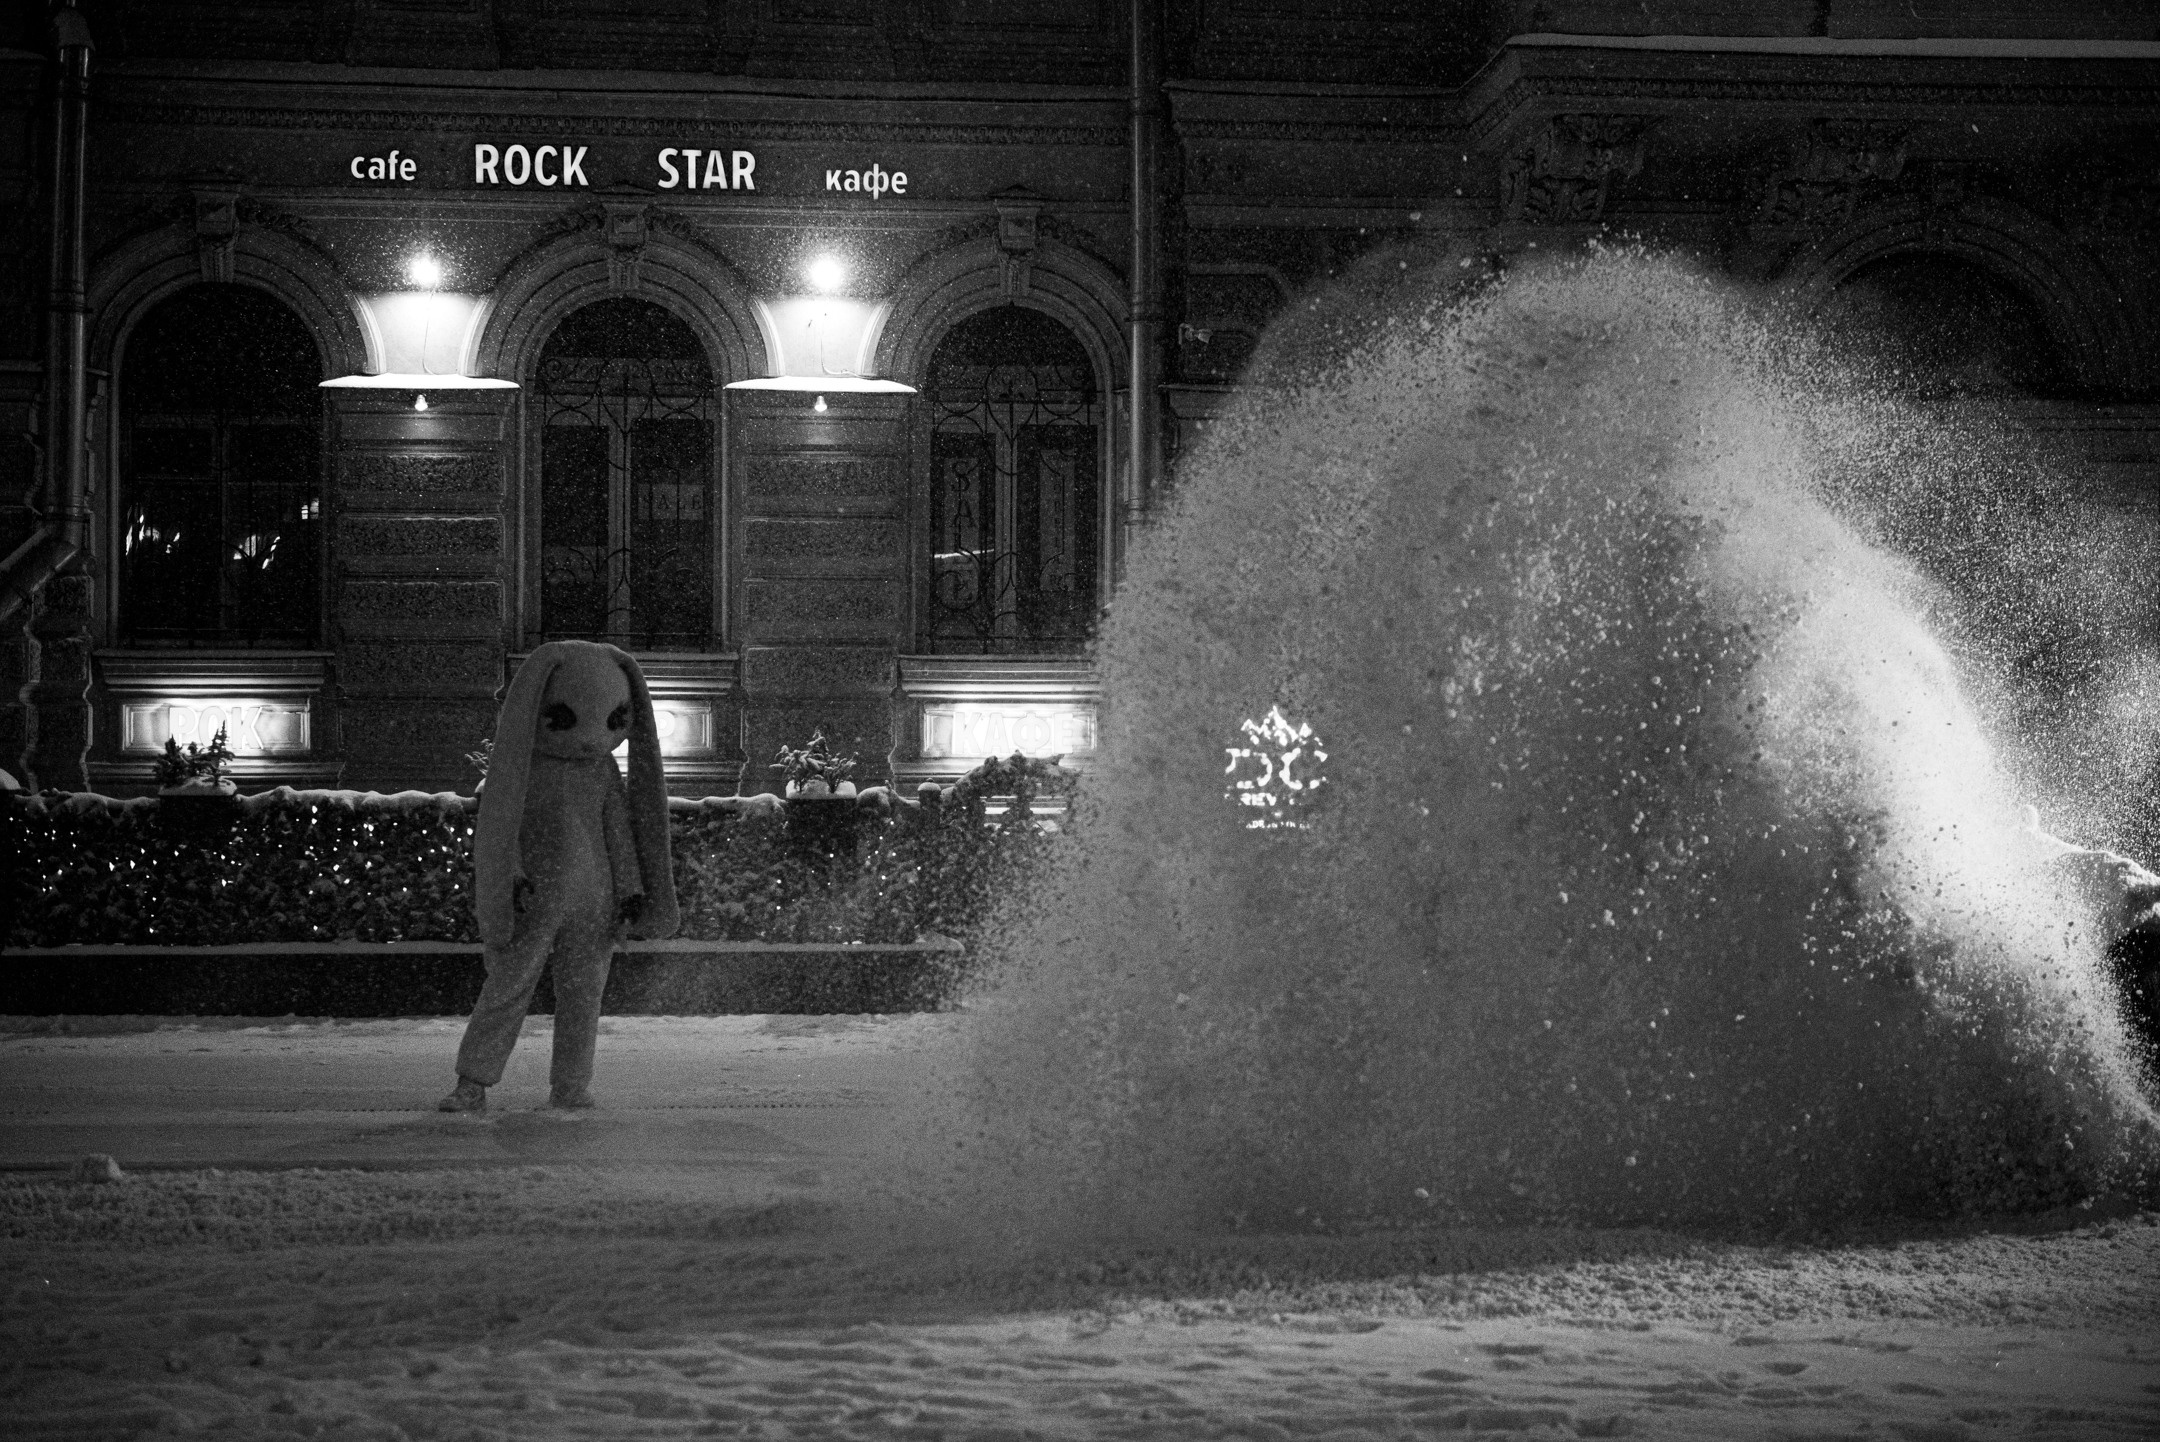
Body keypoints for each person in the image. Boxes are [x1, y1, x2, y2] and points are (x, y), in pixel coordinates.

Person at [438, 641, 677, 1112]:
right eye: (566, 719)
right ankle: (474, 1080)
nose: (593, 737)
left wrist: (629, 889)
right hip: (542, 897)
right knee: (510, 985)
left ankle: (569, 1082)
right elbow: (508, 829)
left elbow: (618, 832)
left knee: (583, 992)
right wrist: (514, 876)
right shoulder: (525, 770)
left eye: (614, 722)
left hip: (595, 899)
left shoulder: (600, 772)